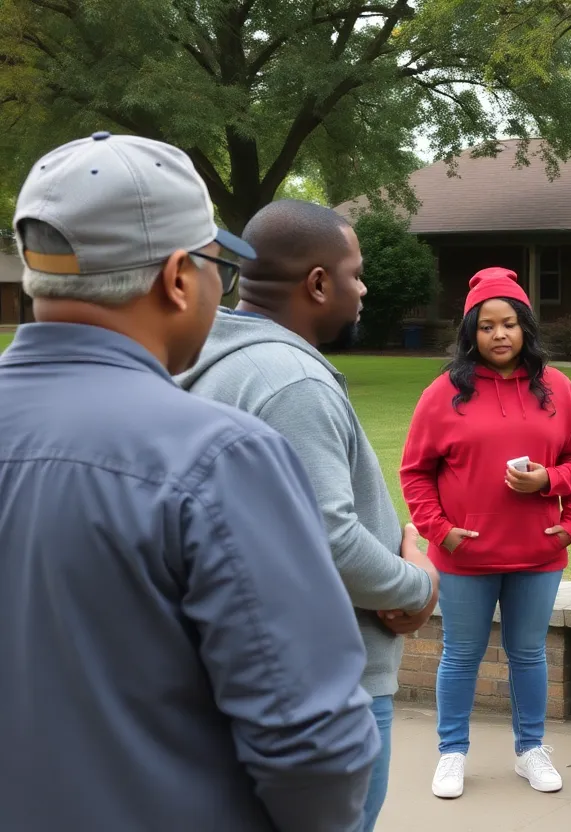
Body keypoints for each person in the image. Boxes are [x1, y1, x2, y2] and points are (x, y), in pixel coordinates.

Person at [0, 134, 379, 831]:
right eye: (217, 265)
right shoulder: (218, 458)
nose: (222, 286)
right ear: (178, 277)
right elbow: (315, 747)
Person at [176, 199, 439, 832]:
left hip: (247, 666)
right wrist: (416, 584)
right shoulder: (291, 380)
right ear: (319, 283)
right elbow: (328, 536)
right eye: (356, 272)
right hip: (326, 683)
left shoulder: (209, 358)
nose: (364, 287)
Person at [400, 268, 571, 799]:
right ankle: (451, 753)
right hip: (467, 553)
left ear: (526, 327)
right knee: (460, 654)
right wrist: (441, 532)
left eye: (509, 323)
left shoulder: (558, 388)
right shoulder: (444, 393)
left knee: (528, 653)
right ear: (471, 334)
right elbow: (415, 471)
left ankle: (530, 749)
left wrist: (560, 504)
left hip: (538, 550)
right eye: (487, 326)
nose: (500, 335)